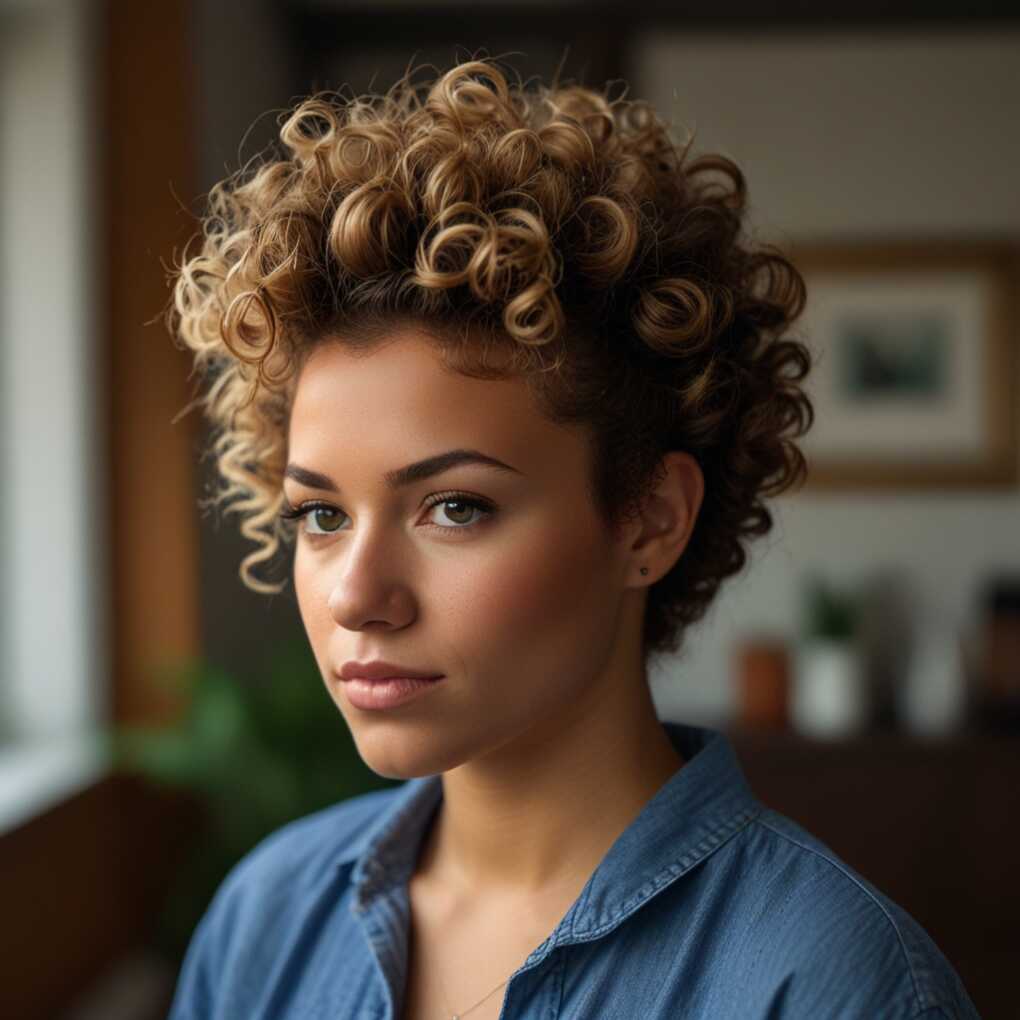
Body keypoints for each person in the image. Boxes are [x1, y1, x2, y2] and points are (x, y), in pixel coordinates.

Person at [164, 57, 980, 1020]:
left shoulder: (832, 984)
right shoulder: (266, 921)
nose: (354, 595)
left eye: (455, 507)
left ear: (650, 519)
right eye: (322, 515)